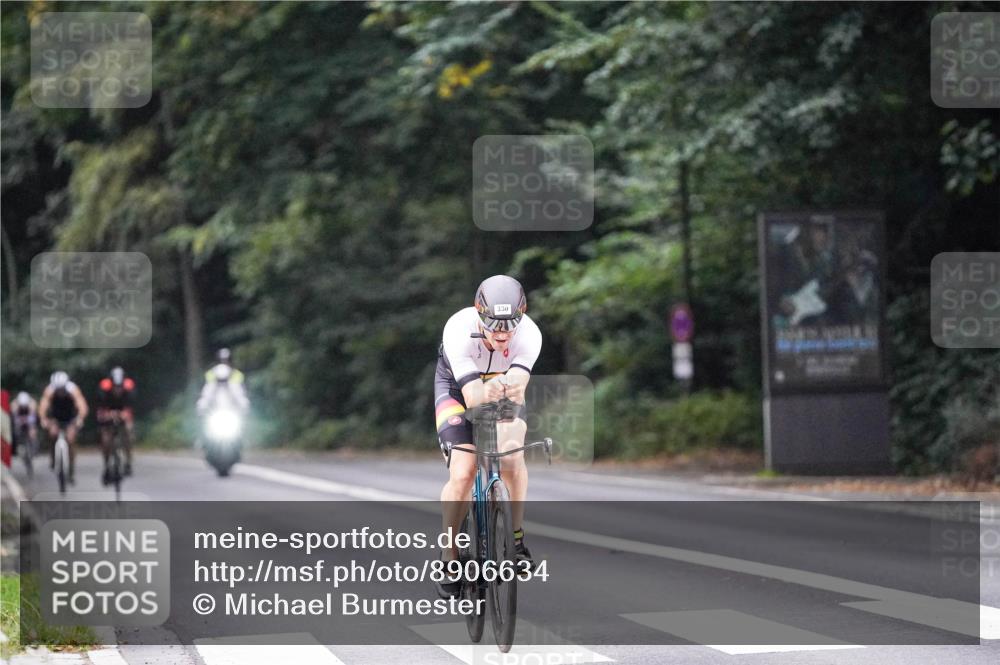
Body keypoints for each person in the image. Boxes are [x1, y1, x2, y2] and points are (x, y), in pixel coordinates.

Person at [434, 275, 542, 598]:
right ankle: (449, 554)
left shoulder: (530, 334)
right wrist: (493, 387)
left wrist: (504, 389)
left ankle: (516, 541)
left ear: (522, 316)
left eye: (510, 325)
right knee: (463, 472)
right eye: (494, 324)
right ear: (479, 314)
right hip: (457, 389)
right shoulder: (458, 329)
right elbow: (473, 397)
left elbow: (517, 388)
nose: (502, 333)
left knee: (512, 455)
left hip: (503, 391)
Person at [38, 371, 89, 484]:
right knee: (52, 434)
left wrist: (80, 418)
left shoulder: (73, 390)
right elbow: (43, 406)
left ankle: (71, 469)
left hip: (70, 418)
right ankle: (53, 458)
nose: (60, 392)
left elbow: (82, 406)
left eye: (62, 389)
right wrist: (43, 419)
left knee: (70, 439)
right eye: (58, 389)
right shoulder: (50, 390)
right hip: (55, 418)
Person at [97, 366, 136, 482]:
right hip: (107, 411)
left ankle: (128, 462)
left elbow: (131, 407)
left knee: (128, 432)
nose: (118, 389)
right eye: (115, 387)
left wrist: (125, 415)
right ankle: (106, 465)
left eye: (120, 387)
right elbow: (100, 408)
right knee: (106, 440)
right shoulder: (104, 389)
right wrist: (107, 415)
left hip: (123, 411)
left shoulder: (129, 388)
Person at [197, 348, 250, 416]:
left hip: (232, 410)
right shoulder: (211, 374)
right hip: (215, 410)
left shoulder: (236, 375)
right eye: (221, 360)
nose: (224, 363)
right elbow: (207, 393)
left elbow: (239, 393)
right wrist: (202, 406)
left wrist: (244, 406)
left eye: (226, 360)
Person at [12, 391, 38, 457]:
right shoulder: (14, 404)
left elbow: (33, 418)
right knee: (16, 431)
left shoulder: (32, 403)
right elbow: (15, 418)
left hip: (29, 421)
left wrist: (27, 420)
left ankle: (34, 448)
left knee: (32, 431)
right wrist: (20, 420)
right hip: (20, 420)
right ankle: (17, 446)